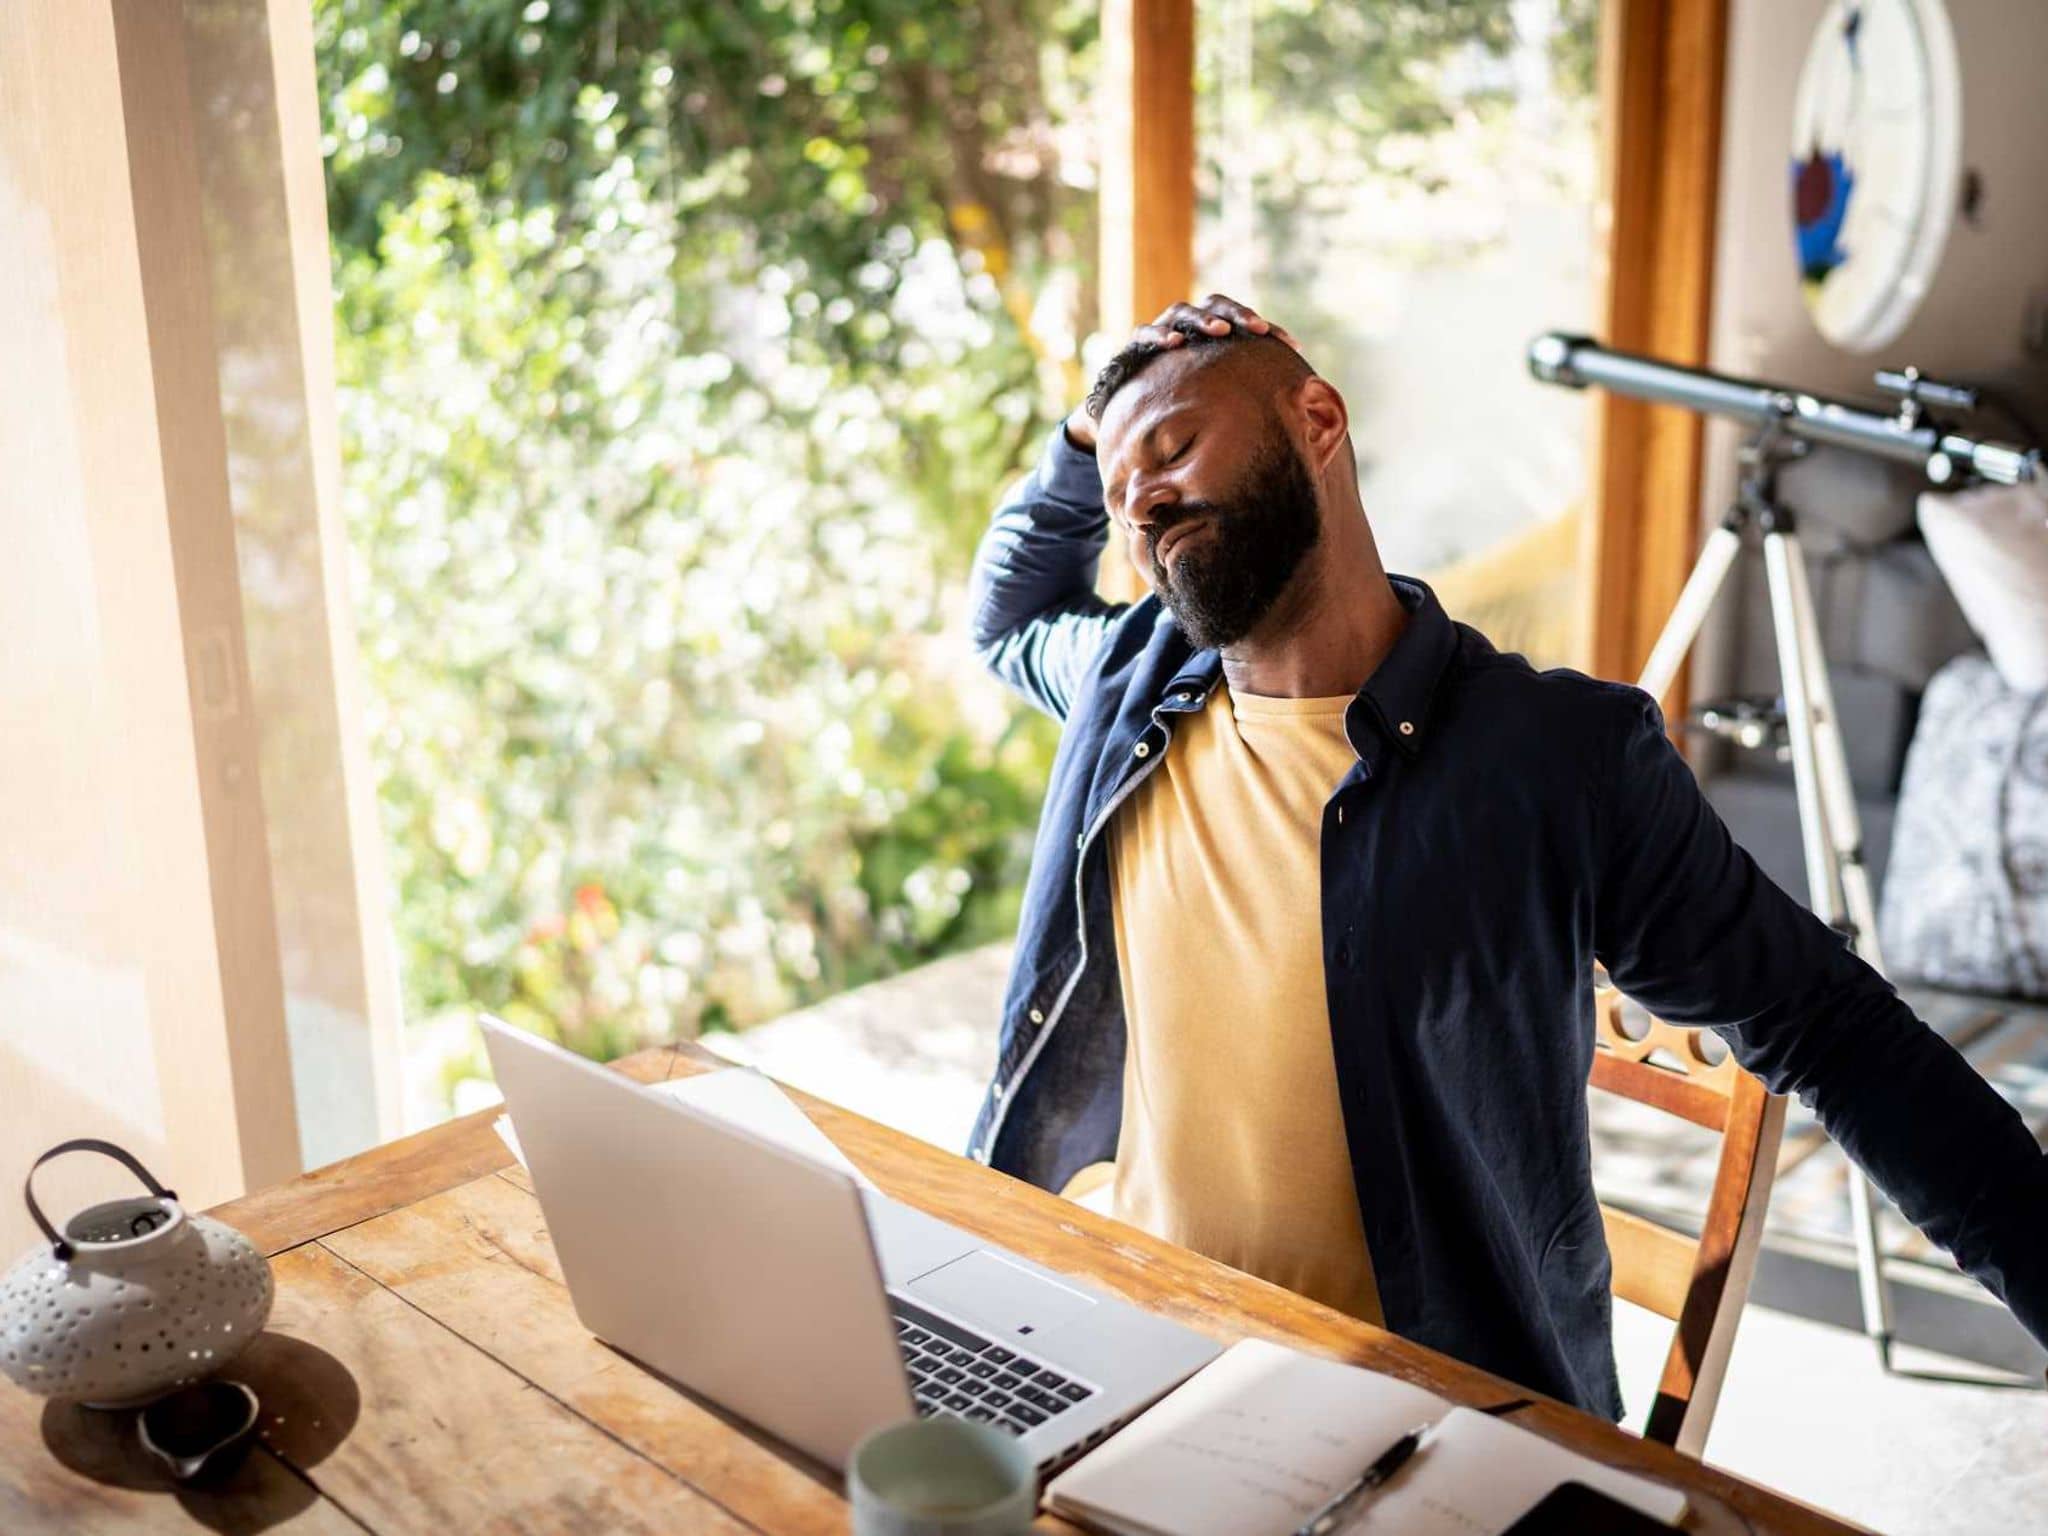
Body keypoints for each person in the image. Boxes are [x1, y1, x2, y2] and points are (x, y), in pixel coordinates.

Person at [963, 292, 2048, 1418]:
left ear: (1317, 421)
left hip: (1414, 1408)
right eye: (1117, 492)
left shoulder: (1554, 760)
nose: (1139, 502)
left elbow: (1836, 1034)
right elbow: (1005, 617)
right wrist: (1089, 430)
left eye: (1172, 447)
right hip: (1136, 1335)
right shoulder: (1125, 684)